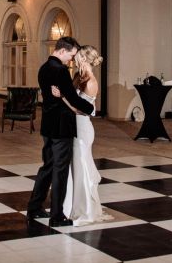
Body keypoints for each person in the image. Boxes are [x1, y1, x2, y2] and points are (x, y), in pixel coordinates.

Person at [27, 37, 94, 227]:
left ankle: (34, 207)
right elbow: (73, 99)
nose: (71, 60)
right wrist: (92, 109)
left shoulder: (43, 68)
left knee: (47, 167)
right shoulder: (60, 70)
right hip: (62, 126)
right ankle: (57, 216)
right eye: (71, 55)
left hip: (48, 125)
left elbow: (54, 97)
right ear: (63, 51)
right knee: (60, 171)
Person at [54, 45, 113, 226]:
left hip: (82, 128)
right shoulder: (78, 76)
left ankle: (86, 209)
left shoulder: (91, 82)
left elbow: (82, 110)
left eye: (78, 57)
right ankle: (70, 206)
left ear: (84, 59)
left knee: (82, 168)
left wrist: (61, 97)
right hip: (72, 127)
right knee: (74, 169)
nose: (74, 59)